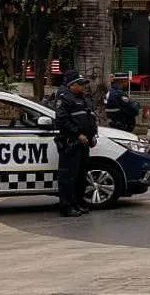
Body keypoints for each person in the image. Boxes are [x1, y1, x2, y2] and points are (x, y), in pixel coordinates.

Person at [53, 74, 99, 216]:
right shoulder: (65, 99)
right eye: (80, 84)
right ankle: (67, 206)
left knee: (80, 176)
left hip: (84, 144)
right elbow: (62, 120)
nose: (83, 86)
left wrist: (92, 136)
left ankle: (78, 203)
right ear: (71, 85)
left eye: (83, 83)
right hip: (71, 143)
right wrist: (78, 135)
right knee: (68, 176)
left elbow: (91, 119)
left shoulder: (84, 100)